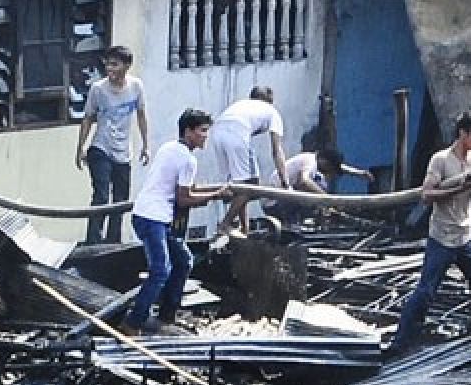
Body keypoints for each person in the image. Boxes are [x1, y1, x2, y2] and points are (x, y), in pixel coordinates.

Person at [389, 110, 471, 353]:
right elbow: (427, 195)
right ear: (463, 133)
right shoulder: (440, 160)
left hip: (466, 236)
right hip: (442, 237)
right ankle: (401, 342)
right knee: (425, 292)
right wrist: (458, 189)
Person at [120, 109, 229, 336]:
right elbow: (184, 198)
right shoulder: (188, 160)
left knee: (184, 260)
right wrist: (215, 196)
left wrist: (213, 191)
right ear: (188, 131)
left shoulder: (168, 148)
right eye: (202, 131)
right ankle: (133, 323)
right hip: (153, 218)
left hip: (147, 214)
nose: (205, 136)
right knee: (160, 270)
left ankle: (167, 315)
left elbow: (183, 189)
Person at [75, 45, 149, 244]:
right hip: (101, 147)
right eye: (107, 64)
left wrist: (146, 145)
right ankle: (93, 239)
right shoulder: (98, 89)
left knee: (121, 199)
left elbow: (141, 115)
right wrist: (80, 147)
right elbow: (88, 117)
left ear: (126, 66)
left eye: (115, 64)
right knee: (101, 194)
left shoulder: (136, 87)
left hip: (123, 150)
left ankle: (113, 241)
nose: (110, 69)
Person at [211, 85, 288, 235]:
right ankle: (225, 224)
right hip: (237, 134)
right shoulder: (271, 112)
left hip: (217, 134)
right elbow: (276, 149)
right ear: (269, 101)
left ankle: (244, 228)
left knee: (240, 185)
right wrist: (285, 180)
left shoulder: (242, 105)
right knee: (250, 186)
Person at [264, 147, 375, 226]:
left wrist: (360, 173)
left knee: (319, 185)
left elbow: (340, 168)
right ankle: (293, 225)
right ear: (325, 162)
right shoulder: (311, 162)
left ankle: (301, 223)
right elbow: (304, 180)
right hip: (274, 202)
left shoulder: (313, 159)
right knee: (315, 190)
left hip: (281, 198)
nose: (328, 172)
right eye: (329, 168)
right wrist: (326, 199)